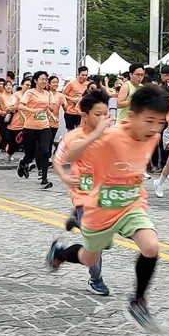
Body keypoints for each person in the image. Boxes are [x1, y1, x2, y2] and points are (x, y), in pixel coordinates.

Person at [46, 85, 169, 331]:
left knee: (151, 246)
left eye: (160, 122)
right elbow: (70, 156)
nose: (155, 129)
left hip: (131, 206)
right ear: (131, 116)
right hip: (100, 209)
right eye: (149, 121)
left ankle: (138, 302)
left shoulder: (153, 135)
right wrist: (96, 135)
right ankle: (60, 253)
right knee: (87, 257)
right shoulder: (110, 137)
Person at [52, 89, 111, 296]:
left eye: (106, 113)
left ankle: (60, 250)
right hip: (84, 198)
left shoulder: (113, 135)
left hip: (108, 198)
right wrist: (66, 177)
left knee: (105, 242)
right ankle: (96, 280)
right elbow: (57, 160)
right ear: (85, 116)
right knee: (96, 246)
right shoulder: (73, 137)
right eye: (98, 114)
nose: (104, 118)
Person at [17, 70, 54, 189]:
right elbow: (21, 106)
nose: (44, 81)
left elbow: (49, 107)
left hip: (44, 126)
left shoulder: (48, 94)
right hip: (30, 127)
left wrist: (51, 113)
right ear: (36, 80)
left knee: (45, 151)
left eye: (46, 80)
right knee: (30, 154)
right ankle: (23, 163)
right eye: (42, 79)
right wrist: (33, 111)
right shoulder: (30, 92)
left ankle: (44, 179)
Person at [62, 66, 89, 131]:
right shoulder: (71, 83)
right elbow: (63, 95)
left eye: (86, 75)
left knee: (80, 132)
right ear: (78, 74)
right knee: (70, 132)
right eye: (82, 75)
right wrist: (72, 100)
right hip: (70, 112)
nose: (84, 77)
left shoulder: (88, 85)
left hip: (81, 113)